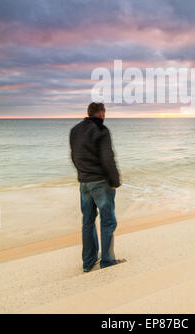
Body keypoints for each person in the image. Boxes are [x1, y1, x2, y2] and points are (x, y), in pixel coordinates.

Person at [70, 102, 123, 272]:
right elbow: (108, 159)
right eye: (104, 113)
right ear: (101, 113)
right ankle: (107, 260)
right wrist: (115, 181)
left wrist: (82, 174)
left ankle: (88, 262)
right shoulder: (101, 131)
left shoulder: (75, 130)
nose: (104, 116)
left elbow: (74, 156)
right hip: (100, 183)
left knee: (88, 221)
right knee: (107, 221)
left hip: (84, 182)